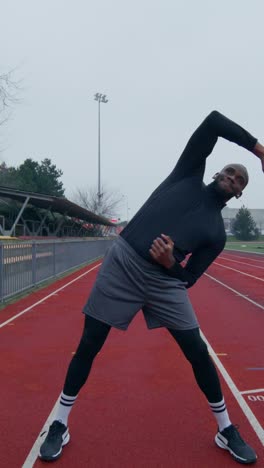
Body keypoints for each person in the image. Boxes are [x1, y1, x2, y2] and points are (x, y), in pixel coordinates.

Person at [39, 110, 264, 464]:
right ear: (219, 172)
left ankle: (225, 429)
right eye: (231, 172)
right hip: (123, 264)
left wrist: (169, 264)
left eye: (240, 182)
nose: (233, 179)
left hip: (164, 282)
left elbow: (188, 279)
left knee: (197, 351)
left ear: (238, 195)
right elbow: (213, 122)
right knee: (89, 343)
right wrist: (259, 151)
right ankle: (60, 423)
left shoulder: (217, 234)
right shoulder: (187, 176)